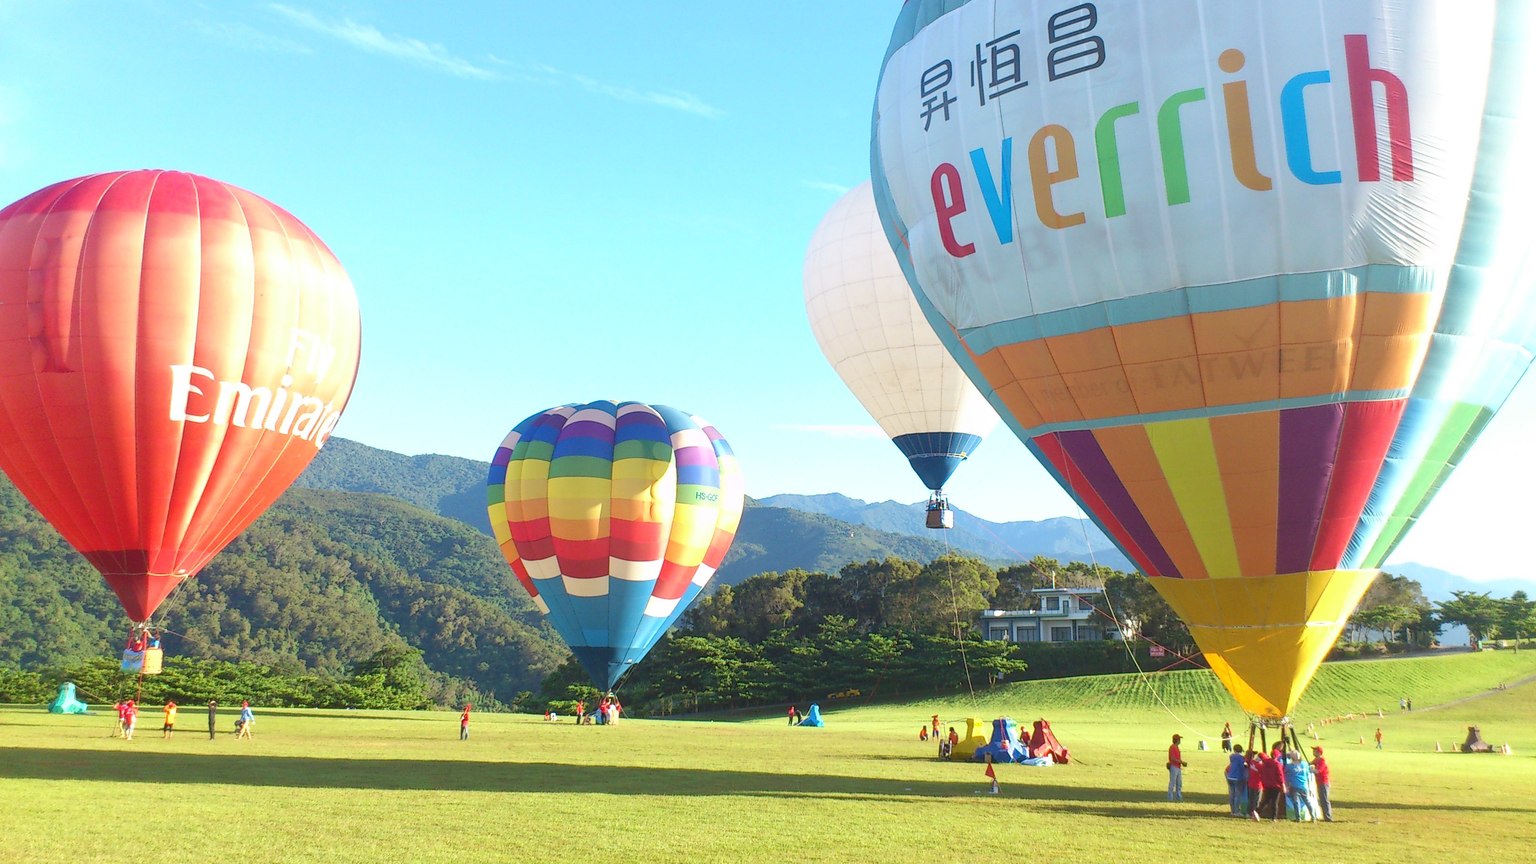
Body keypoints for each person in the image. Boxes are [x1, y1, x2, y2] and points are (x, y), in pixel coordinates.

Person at [1283, 749, 1316, 822]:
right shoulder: (1304, 764)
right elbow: (1308, 773)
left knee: (1297, 802)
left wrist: (1287, 785)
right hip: (1303, 785)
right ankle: (1312, 817)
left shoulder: (1290, 766)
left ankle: (1299, 818)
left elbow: (1285, 776)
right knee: (1306, 801)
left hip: (1295, 786)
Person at [1259, 747, 1286, 821]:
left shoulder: (1265, 763)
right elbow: (1280, 775)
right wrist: (1283, 784)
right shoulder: (1277, 764)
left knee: (1265, 801)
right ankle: (1274, 817)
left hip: (1267, 785)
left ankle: (1257, 812)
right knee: (1274, 802)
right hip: (1275, 785)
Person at [1311, 746, 1334, 822]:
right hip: (1319, 782)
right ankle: (1326, 816)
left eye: (1314, 751)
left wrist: (1312, 770)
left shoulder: (1322, 761)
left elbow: (1318, 771)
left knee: (1325, 800)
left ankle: (1328, 817)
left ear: (1319, 752)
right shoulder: (1316, 760)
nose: (1313, 752)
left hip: (1324, 782)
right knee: (1322, 799)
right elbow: (1310, 764)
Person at [1224, 747, 1247, 816]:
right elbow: (1243, 767)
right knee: (1237, 795)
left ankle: (1232, 811)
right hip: (1237, 778)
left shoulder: (1232, 756)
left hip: (1230, 777)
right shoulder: (1241, 758)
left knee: (1232, 794)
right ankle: (1236, 811)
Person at [1245, 749, 1265, 821]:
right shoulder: (1260, 766)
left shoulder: (1252, 762)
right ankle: (1254, 814)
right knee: (1256, 801)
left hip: (1251, 784)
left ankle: (1248, 813)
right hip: (1258, 785)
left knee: (1250, 799)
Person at [1166, 734, 1187, 802]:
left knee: (1179, 783)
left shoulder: (1176, 747)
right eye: (1179, 739)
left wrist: (1181, 762)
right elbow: (1172, 758)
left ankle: (1179, 797)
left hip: (1177, 767)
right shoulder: (1172, 747)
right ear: (1177, 740)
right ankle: (1170, 797)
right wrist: (1181, 762)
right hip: (1174, 767)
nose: (1180, 740)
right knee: (1172, 783)